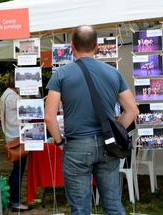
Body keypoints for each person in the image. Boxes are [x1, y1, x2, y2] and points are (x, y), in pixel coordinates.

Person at [45, 25, 139, 215]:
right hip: (108, 145)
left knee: (80, 208)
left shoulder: (61, 74)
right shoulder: (113, 73)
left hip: (77, 145)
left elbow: (49, 117)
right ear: (96, 46)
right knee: (113, 204)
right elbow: (132, 110)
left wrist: (59, 141)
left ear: (72, 46)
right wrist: (115, 130)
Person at [0, 71, 31, 213]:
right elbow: (24, 116)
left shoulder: (7, 94)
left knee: (16, 169)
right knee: (18, 170)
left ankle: (12, 198)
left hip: (12, 137)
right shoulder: (13, 97)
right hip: (17, 138)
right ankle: (16, 202)